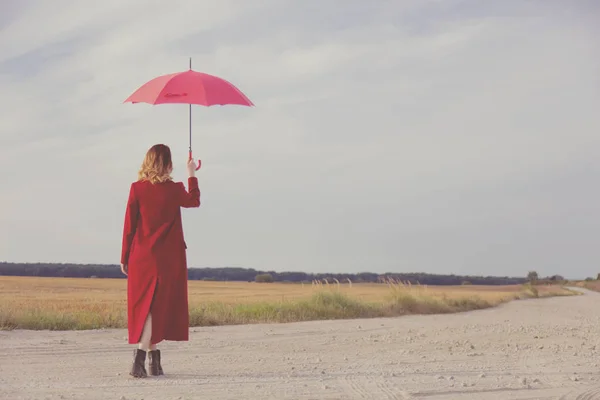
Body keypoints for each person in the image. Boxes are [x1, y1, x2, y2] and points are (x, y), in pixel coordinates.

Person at [120, 144, 201, 378]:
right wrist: (192, 173)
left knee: (147, 307)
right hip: (168, 258)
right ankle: (142, 358)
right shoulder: (174, 189)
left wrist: (124, 256)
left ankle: (153, 362)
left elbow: (129, 227)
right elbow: (194, 201)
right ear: (167, 164)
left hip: (141, 257)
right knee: (154, 307)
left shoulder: (136, 189)